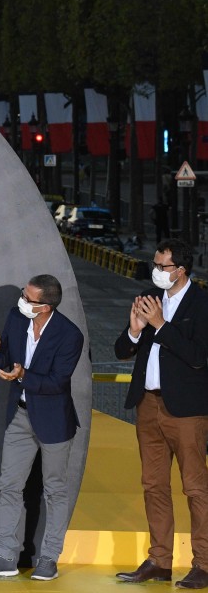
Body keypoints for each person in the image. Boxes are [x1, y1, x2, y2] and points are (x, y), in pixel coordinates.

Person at [0, 274, 83, 582]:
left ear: (45, 306)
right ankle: (5, 556)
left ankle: (49, 559)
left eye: (28, 298)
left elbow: (57, 382)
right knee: (8, 485)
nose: (22, 301)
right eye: (23, 293)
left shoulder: (69, 334)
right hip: (18, 416)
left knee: (55, 490)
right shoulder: (16, 317)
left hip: (54, 421)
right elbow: (7, 360)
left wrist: (21, 376)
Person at [114, 239, 208, 588]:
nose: (157, 272)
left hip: (186, 410)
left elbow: (198, 356)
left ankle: (204, 564)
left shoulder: (201, 304)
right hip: (148, 404)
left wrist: (161, 325)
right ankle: (159, 561)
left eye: (164, 266)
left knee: (195, 487)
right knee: (153, 485)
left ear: (181, 270)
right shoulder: (149, 298)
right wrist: (135, 330)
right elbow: (122, 349)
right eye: (155, 265)